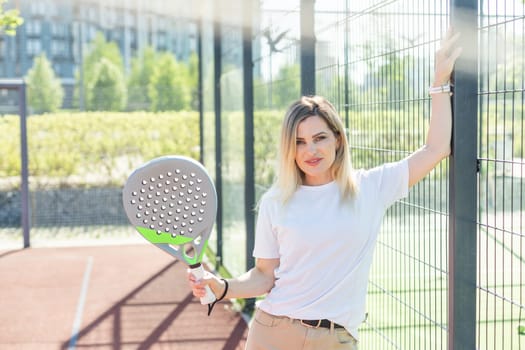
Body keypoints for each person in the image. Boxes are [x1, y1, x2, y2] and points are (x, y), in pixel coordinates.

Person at [188, 29, 462, 350]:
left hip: (337, 339)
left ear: (337, 139)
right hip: (274, 331)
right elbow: (264, 276)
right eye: (299, 142)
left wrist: (440, 80)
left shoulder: (371, 187)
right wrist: (221, 287)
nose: (310, 151)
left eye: (319, 138)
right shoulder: (276, 202)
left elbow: (436, 149)